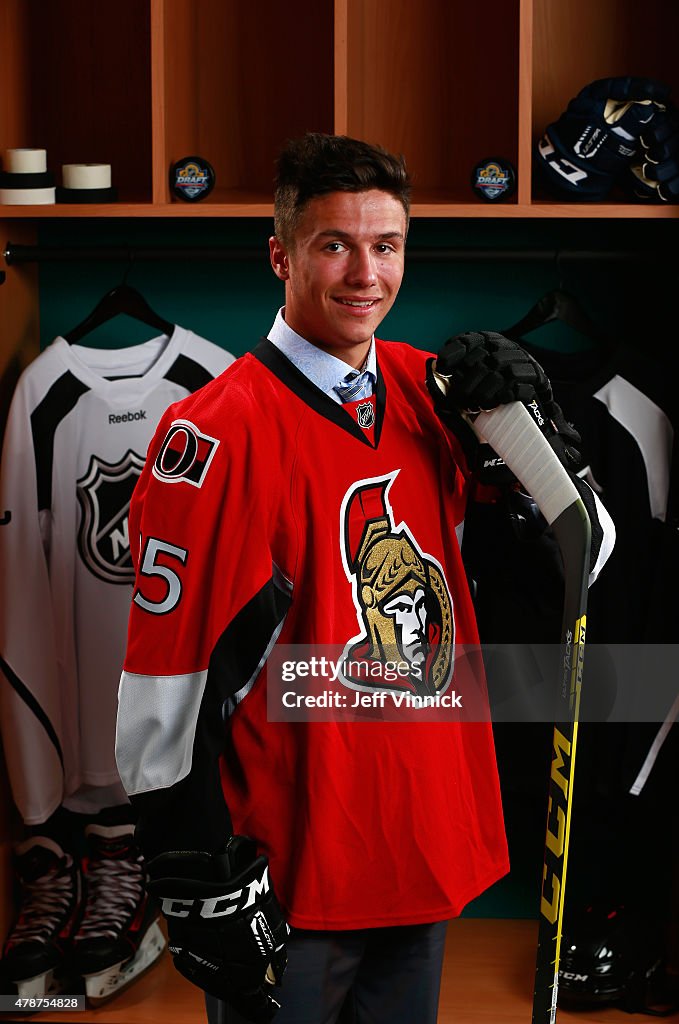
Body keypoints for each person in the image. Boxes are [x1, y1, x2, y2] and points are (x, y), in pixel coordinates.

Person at [114, 133, 613, 1024]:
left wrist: (532, 467)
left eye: (385, 246)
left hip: (420, 839)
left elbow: (584, 556)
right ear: (280, 255)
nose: (363, 274)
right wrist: (190, 861)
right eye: (333, 244)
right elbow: (173, 674)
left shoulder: (443, 394)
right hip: (297, 862)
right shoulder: (217, 433)